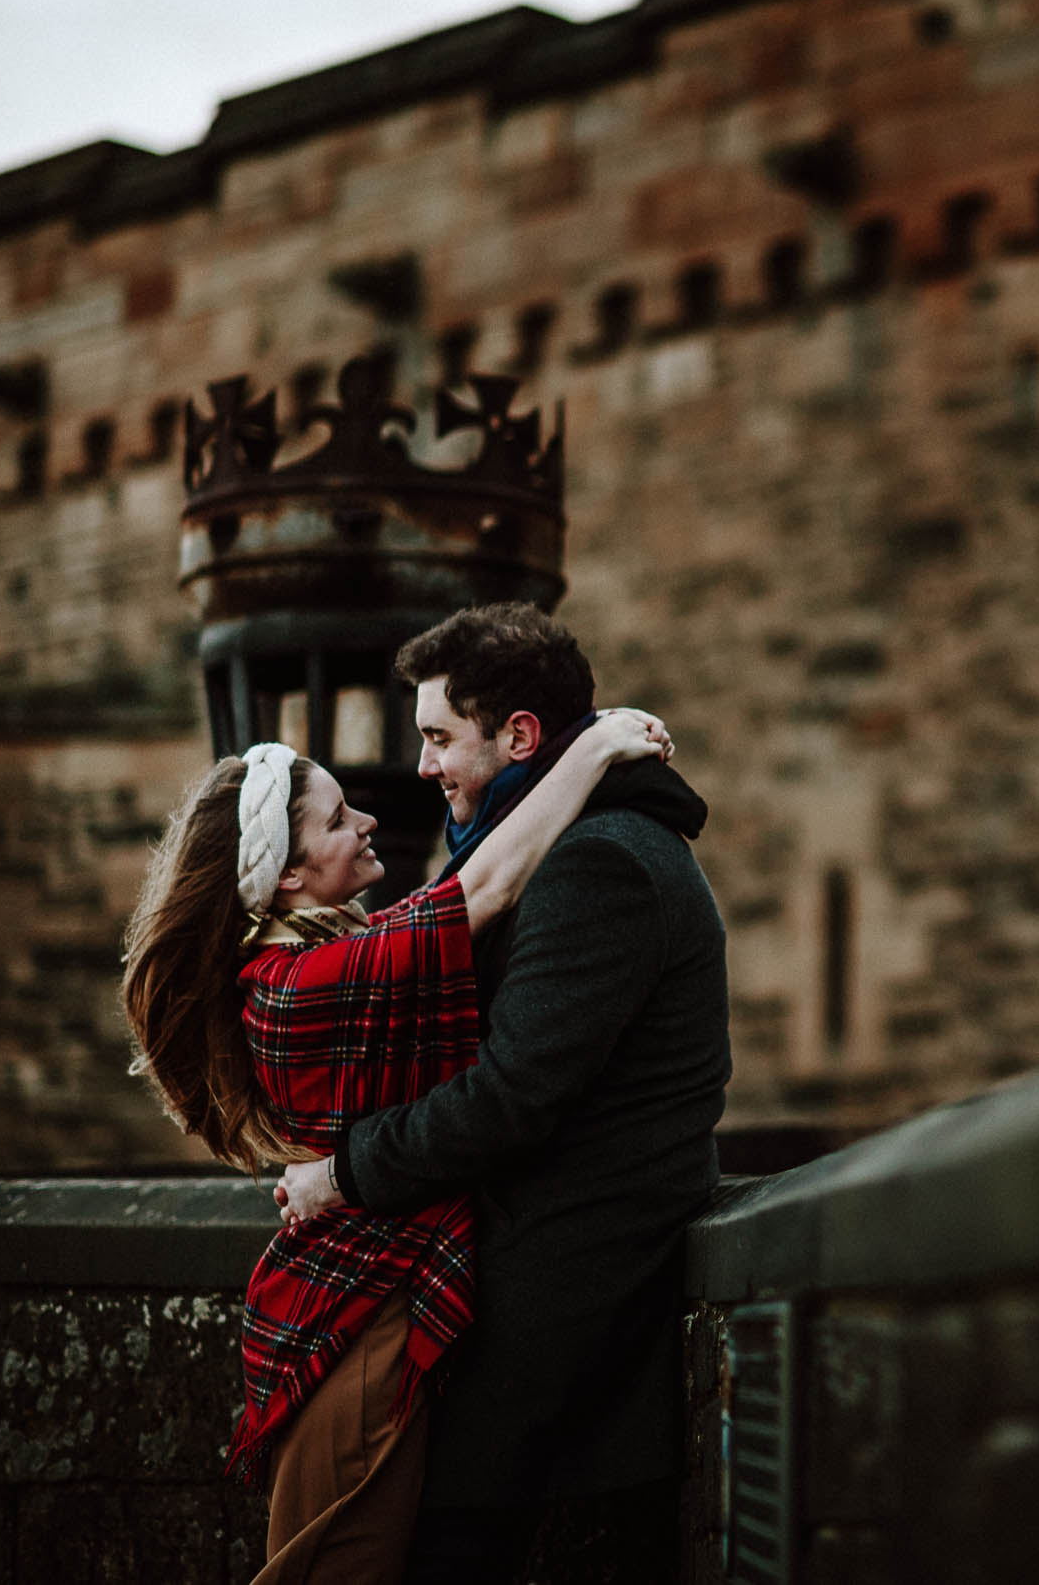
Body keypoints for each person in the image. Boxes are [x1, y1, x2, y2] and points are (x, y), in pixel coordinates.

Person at [120, 704, 674, 1585]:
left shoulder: (326, 948)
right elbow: (481, 890)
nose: (369, 819)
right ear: (291, 872)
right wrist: (597, 747)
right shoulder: (302, 981)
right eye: (339, 819)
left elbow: (446, 904)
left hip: (362, 1309)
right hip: (356, 1330)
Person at [273, 602, 732, 1582]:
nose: (424, 765)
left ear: (519, 735)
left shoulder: (598, 861)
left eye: (439, 736)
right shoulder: (558, 846)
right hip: (531, 1313)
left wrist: (342, 1173)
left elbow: (511, 1095)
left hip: (557, 1330)